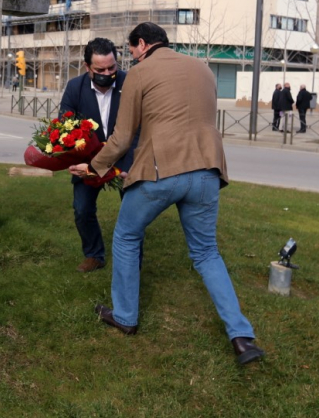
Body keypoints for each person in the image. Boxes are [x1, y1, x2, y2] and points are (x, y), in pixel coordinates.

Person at [69, 22, 264, 366]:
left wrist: (93, 167)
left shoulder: (139, 74)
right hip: (207, 169)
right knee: (206, 253)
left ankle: (125, 317)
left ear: (141, 44)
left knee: (126, 236)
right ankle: (242, 337)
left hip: (162, 171)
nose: (130, 60)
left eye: (130, 52)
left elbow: (123, 136)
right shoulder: (203, 69)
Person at [59, 38, 135, 273]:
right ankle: (94, 255)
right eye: (100, 69)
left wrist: (130, 165)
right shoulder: (75, 87)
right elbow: (65, 126)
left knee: (133, 213)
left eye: (112, 67)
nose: (107, 73)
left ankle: (133, 260)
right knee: (82, 210)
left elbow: (142, 127)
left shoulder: (130, 83)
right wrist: (73, 160)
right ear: (87, 67)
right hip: (88, 163)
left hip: (124, 161)